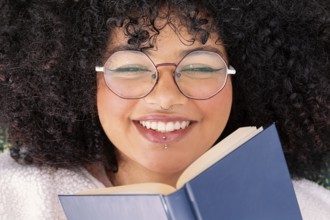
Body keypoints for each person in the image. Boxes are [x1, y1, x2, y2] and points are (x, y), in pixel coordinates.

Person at [0, 0, 329, 219]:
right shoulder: (15, 199)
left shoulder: (310, 209)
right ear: (79, 78)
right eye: (130, 68)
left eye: (200, 68)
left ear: (244, 80)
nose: (166, 97)